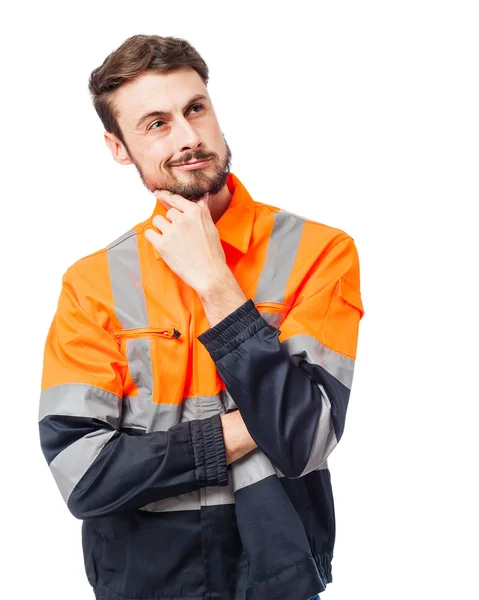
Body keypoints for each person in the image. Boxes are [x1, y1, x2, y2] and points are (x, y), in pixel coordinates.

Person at [38, 34, 364, 600]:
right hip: (143, 583)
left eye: (195, 109)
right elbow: (83, 475)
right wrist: (244, 429)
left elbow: (305, 441)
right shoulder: (92, 283)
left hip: (278, 580)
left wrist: (218, 287)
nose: (189, 138)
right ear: (119, 148)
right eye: (156, 123)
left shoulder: (318, 252)